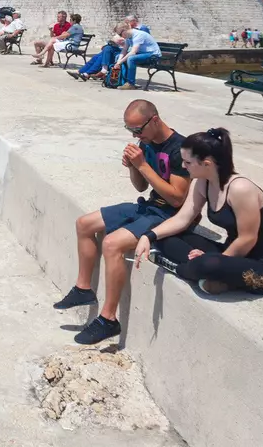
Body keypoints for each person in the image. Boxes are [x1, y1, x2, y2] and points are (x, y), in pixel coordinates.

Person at [54, 100, 191, 344]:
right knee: (84, 223)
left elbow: (178, 199)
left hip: (169, 215)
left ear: (155, 120)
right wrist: (133, 169)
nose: (136, 135)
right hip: (149, 206)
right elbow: (141, 186)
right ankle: (83, 289)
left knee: (111, 244)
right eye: (130, 131)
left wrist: (142, 165)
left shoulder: (181, 149)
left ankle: (108, 319)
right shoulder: (145, 143)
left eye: (138, 129)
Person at [134, 128, 263, 296]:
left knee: (208, 265)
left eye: (187, 162)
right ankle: (214, 277)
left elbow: (248, 239)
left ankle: (181, 269)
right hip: (229, 253)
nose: (183, 167)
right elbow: (182, 219)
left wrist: (219, 259)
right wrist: (148, 236)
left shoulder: (240, 189)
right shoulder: (202, 182)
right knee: (160, 230)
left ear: (206, 164)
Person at [73, 15, 146, 82]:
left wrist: (123, 41)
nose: (126, 24)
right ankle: (82, 72)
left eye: (127, 22)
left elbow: (139, 44)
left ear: (133, 21)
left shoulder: (142, 29)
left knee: (106, 51)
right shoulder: (129, 30)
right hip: (121, 49)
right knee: (98, 56)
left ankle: (92, 72)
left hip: (131, 51)